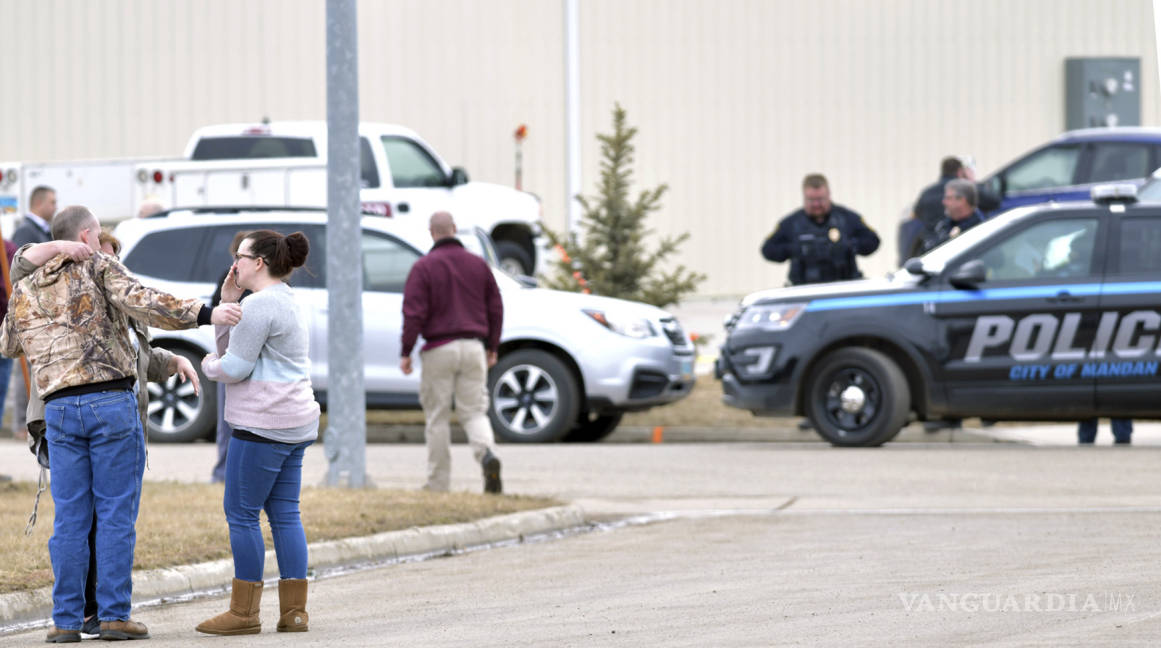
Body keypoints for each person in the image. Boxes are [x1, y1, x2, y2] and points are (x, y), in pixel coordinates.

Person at [0, 205, 241, 643]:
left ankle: (66, 622)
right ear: (88, 235)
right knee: (114, 514)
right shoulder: (98, 264)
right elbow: (145, 301)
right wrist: (207, 314)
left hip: (57, 408)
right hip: (108, 400)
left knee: (70, 519)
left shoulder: (26, 288)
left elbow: (7, 343)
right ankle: (113, 615)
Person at [197, 229, 318, 636]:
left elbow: (232, 368)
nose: (235, 263)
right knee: (285, 514)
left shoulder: (260, 306)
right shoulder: (285, 299)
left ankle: (244, 612)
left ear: (259, 262)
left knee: (241, 514)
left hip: (263, 423)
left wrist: (207, 365)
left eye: (241, 256)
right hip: (296, 421)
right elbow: (239, 352)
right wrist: (228, 305)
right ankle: (295, 612)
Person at [401, 211, 504, 494]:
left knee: (437, 417)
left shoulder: (423, 267)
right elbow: (496, 307)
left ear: (432, 232)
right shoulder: (478, 265)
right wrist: (492, 346)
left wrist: (406, 351)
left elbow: (413, 313)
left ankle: (438, 484)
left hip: (438, 349)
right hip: (473, 347)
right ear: (455, 230)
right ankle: (486, 455)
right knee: (474, 412)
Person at [761, 174, 880, 285]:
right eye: (811, 200)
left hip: (843, 289)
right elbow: (767, 249)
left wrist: (850, 245)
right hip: (803, 292)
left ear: (829, 195)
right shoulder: (792, 223)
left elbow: (873, 241)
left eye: (820, 199)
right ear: (804, 198)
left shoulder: (846, 218)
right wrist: (794, 249)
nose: (816, 204)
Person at [10, 185, 56, 442]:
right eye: (52, 201)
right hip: (31, 311)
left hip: (45, 310)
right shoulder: (26, 232)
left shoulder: (42, 230)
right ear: (38, 203)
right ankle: (20, 423)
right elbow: (19, 272)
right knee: (24, 371)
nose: (55, 206)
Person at [923, 179, 986, 252]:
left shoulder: (979, 229)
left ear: (962, 201)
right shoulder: (944, 225)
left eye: (948, 198)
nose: (944, 202)